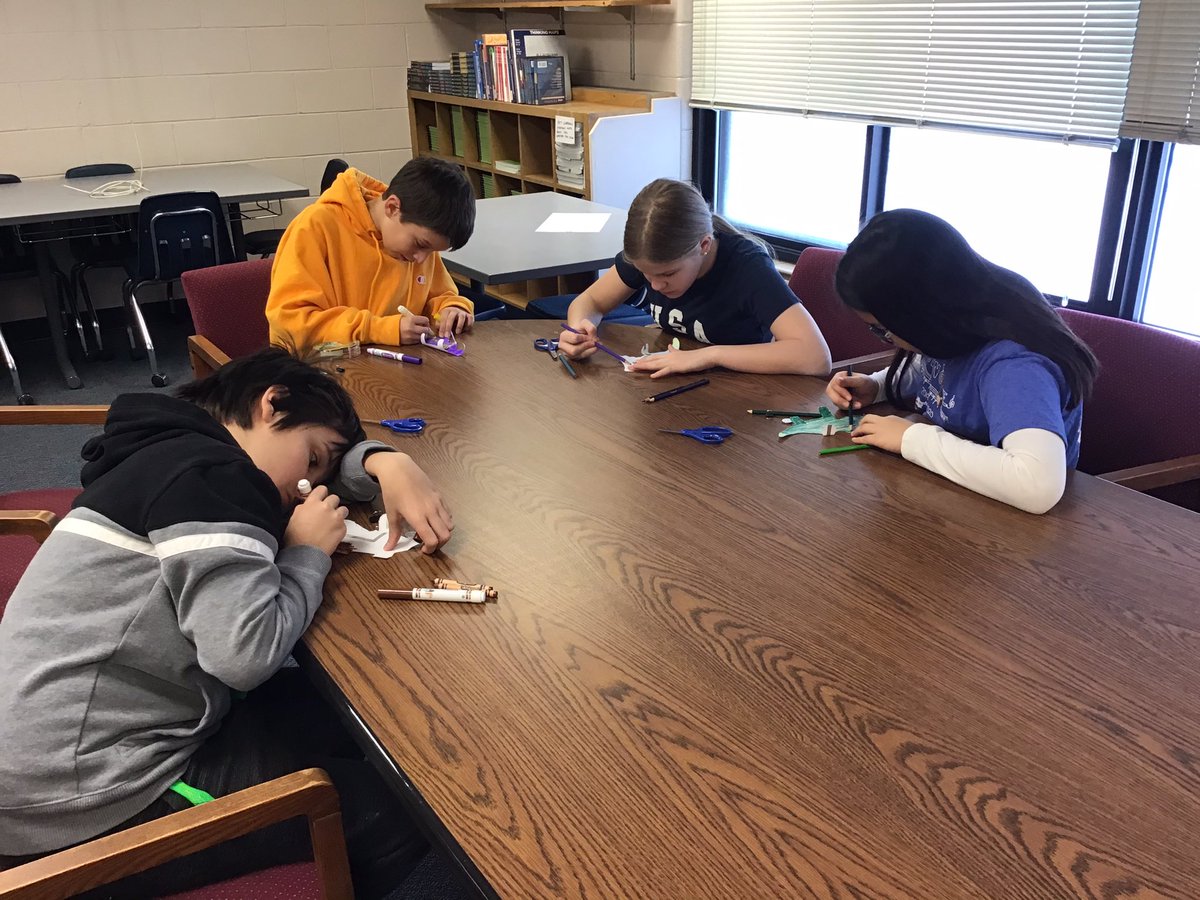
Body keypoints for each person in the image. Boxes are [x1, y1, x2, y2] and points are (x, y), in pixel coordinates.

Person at [0, 349, 442, 897]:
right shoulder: (219, 482)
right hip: (88, 803)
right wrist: (306, 553)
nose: (304, 489)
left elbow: (322, 456)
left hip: (49, 760)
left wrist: (382, 460)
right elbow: (246, 656)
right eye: (309, 463)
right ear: (270, 402)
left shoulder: (168, 450)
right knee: (401, 809)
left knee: (347, 723)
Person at [826, 208, 1099, 514]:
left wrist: (912, 438)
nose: (885, 338)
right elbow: (937, 366)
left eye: (883, 330)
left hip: (1009, 530)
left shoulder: (1015, 367)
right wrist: (877, 386)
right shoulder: (959, 322)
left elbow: (1037, 486)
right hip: (955, 497)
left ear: (923, 316)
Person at [556, 178, 831, 377]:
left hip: (741, 399)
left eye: (667, 274)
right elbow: (590, 301)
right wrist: (580, 329)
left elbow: (815, 356)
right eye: (645, 274)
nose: (655, 285)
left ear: (704, 245)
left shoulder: (748, 268)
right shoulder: (652, 256)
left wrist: (708, 356)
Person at [266, 158, 477, 350]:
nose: (422, 258)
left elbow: (440, 295)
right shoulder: (315, 227)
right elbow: (290, 323)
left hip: (392, 370)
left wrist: (452, 309)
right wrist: (380, 329)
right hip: (320, 373)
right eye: (421, 244)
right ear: (393, 207)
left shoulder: (417, 240)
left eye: (432, 251)